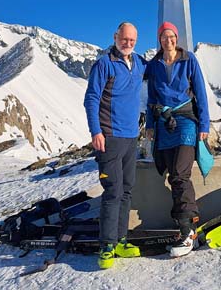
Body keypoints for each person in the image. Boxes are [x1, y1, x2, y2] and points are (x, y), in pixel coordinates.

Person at [83, 22, 146, 269]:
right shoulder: (104, 64)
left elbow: (161, 69)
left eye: (131, 40)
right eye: (124, 39)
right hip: (109, 138)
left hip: (131, 138)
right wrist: (96, 131)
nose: (127, 43)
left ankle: (121, 240)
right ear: (115, 37)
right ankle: (107, 246)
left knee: (127, 189)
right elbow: (91, 99)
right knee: (112, 191)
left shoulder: (139, 63)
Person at [145, 21, 210, 257]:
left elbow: (200, 92)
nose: (168, 40)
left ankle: (187, 230)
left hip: (185, 122)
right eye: (164, 37)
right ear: (159, 40)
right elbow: (152, 96)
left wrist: (204, 124)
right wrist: (151, 125)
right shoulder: (154, 65)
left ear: (177, 38)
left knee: (181, 173)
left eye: (171, 36)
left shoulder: (189, 59)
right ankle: (182, 227)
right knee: (173, 174)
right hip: (163, 124)